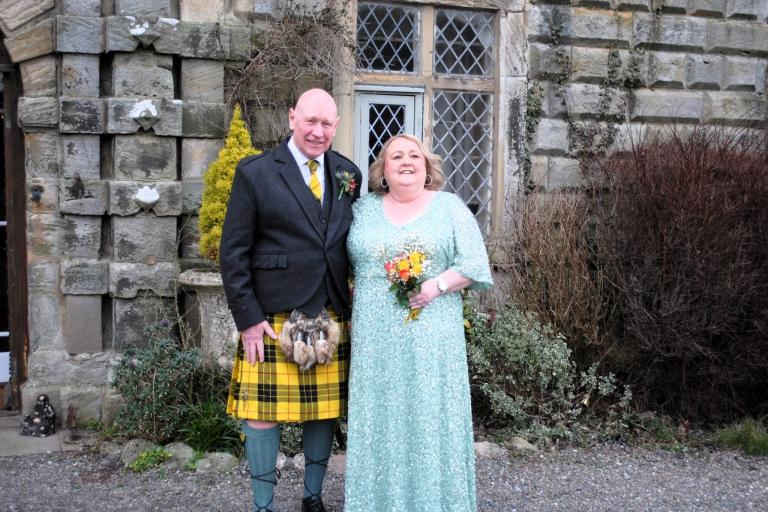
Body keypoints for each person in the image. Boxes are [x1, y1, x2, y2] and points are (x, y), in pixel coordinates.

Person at [220, 88, 362, 512]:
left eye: (326, 124)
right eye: (310, 121)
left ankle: (313, 498)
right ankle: (263, 505)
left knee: (324, 410)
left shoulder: (347, 173)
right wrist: (247, 318)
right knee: (263, 413)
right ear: (291, 118)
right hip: (272, 315)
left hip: (331, 311)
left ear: (336, 127)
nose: (318, 131)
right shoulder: (257, 172)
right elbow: (233, 252)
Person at [344, 134, 493, 512]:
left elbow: (474, 263)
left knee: (428, 418)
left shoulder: (449, 207)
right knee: (379, 417)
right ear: (382, 171)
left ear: (427, 168)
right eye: (396, 156)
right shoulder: (362, 210)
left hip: (431, 337)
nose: (406, 161)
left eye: (415, 155)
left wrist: (438, 284)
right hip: (374, 339)